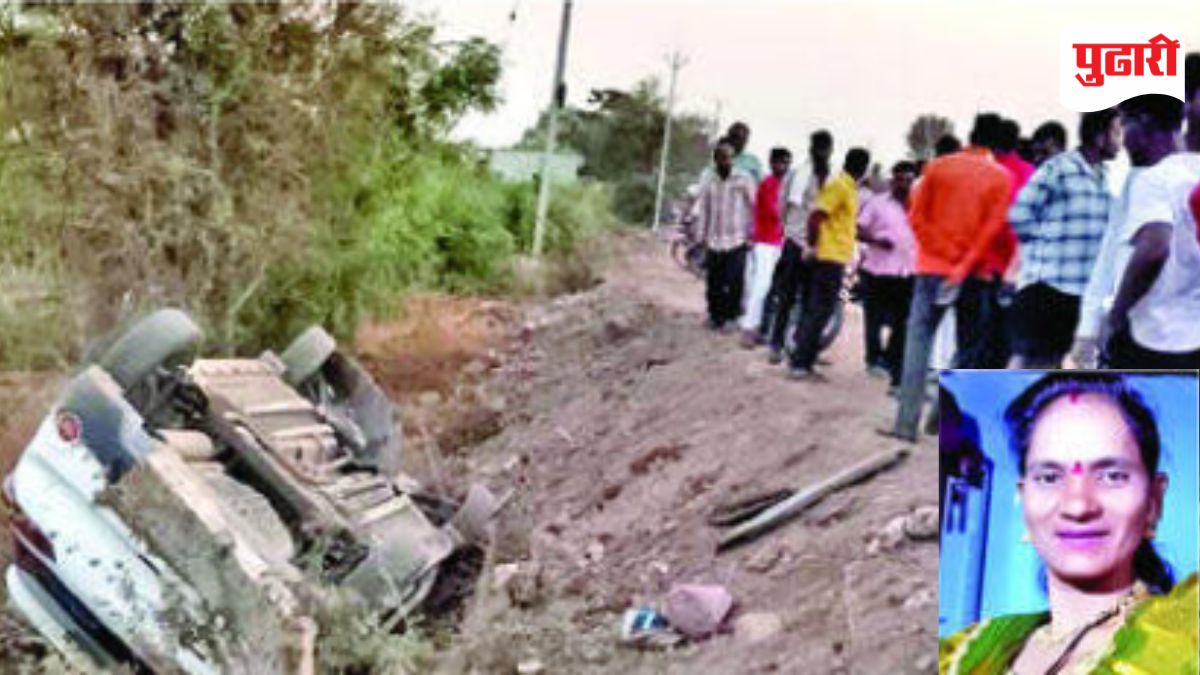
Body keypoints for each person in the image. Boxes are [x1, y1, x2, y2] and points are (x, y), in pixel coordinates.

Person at [939, 373, 1197, 674]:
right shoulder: (960, 652)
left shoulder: (1187, 638)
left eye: (1111, 476)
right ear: (1024, 501)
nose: (1078, 505)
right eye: (1049, 478)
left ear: (1154, 501)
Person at [884, 113, 1011, 441]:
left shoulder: (937, 168)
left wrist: (945, 251)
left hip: (930, 268)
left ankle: (905, 424)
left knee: (918, 342)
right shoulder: (1000, 178)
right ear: (996, 143)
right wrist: (963, 261)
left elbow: (916, 217)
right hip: (972, 275)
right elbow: (990, 231)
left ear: (970, 135)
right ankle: (941, 418)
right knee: (967, 350)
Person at [1007, 108, 1121, 369]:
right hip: (1047, 290)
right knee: (1028, 368)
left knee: (1059, 370)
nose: (1120, 140)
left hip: (1081, 293)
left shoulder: (1104, 178)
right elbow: (1021, 214)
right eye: (1116, 132)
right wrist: (1048, 248)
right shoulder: (1058, 168)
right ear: (1099, 136)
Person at [1101, 94, 1200, 368]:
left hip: (1157, 337)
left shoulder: (1154, 179)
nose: (1121, 142)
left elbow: (1154, 249)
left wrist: (1116, 316)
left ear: (1143, 125)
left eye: (1124, 126)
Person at [787, 147, 870, 380]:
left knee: (822, 311)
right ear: (863, 168)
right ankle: (801, 363)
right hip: (827, 257)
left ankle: (806, 358)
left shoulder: (849, 188)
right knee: (819, 310)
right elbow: (816, 216)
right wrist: (812, 246)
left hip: (837, 257)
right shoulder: (840, 186)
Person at [762, 130, 834, 364]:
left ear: (831, 150)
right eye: (819, 147)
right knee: (787, 296)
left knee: (811, 301)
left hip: (820, 248)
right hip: (795, 242)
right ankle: (775, 344)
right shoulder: (797, 175)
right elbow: (782, 206)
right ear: (812, 149)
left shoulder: (833, 178)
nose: (822, 152)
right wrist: (791, 230)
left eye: (826, 147)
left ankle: (802, 346)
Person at [857, 161, 917, 385]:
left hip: (905, 272)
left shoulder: (919, 206)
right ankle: (873, 358)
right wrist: (876, 240)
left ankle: (893, 359)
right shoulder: (877, 204)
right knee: (873, 318)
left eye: (909, 180)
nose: (904, 184)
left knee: (902, 320)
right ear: (893, 180)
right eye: (900, 179)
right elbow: (858, 230)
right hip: (877, 270)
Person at [692, 140, 756, 331]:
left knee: (734, 281)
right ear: (715, 160)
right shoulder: (710, 180)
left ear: (732, 159)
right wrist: (701, 237)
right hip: (714, 239)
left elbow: (754, 207)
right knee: (714, 281)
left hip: (737, 238)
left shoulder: (743, 179)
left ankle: (731, 317)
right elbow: (704, 209)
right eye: (721, 158)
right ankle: (714, 315)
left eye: (728, 158)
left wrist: (752, 235)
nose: (725, 162)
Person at [739, 147, 791, 347]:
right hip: (765, 242)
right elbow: (775, 211)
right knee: (762, 285)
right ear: (772, 163)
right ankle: (748, 328)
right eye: (780, 162)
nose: (784, 166)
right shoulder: (768, 184)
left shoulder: (786, 185)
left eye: (787, 162)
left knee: (776, 289)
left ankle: (764, 329)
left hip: (780, 241)